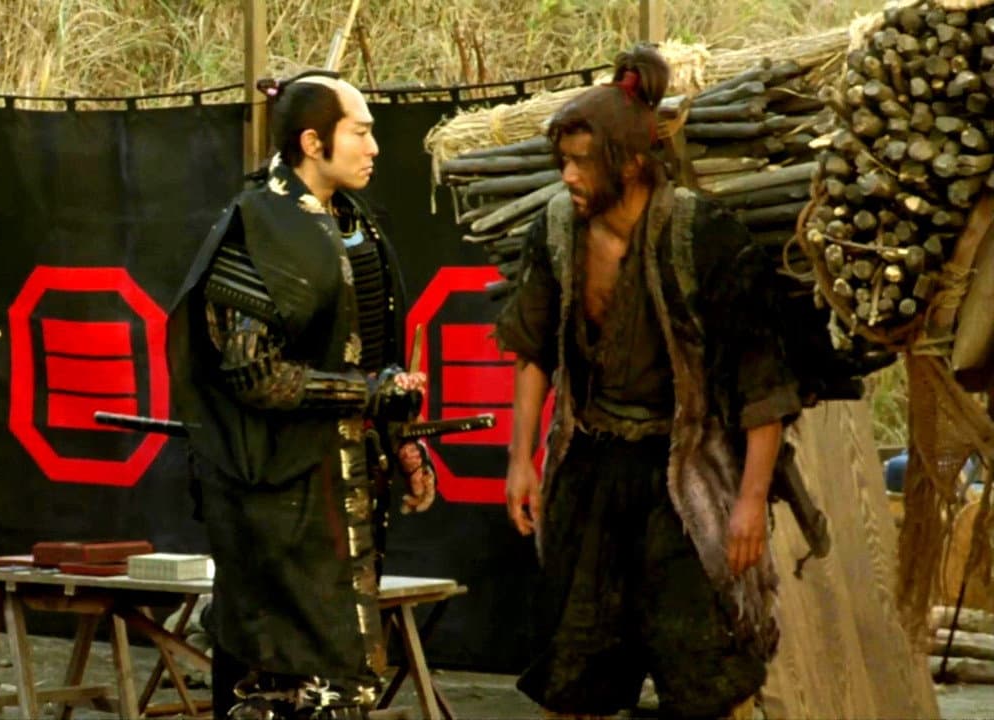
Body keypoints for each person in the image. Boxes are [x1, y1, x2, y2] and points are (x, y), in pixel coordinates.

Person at [497, 45, 802, 719]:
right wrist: (522, 461)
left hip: (683, 469)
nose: (568, 176)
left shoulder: (702, 236)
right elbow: (532, 352)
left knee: (705, 673)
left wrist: (750, 502)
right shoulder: (557, 231)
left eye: (583, 162)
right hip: (592, 464)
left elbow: (762, 384)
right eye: (563, 160)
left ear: (632, 164)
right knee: (574, 667)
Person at [167, 70, 424, 720]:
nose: (374, 148)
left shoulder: (351, 222)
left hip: (346, 483)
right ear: (313, 142)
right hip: (276, 493)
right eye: (360, 133)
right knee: (283, 684)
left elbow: (371, 349)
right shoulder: (259, 225)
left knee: (342, 684)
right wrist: (367, 393)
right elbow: (254, 373)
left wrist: (402, 441)